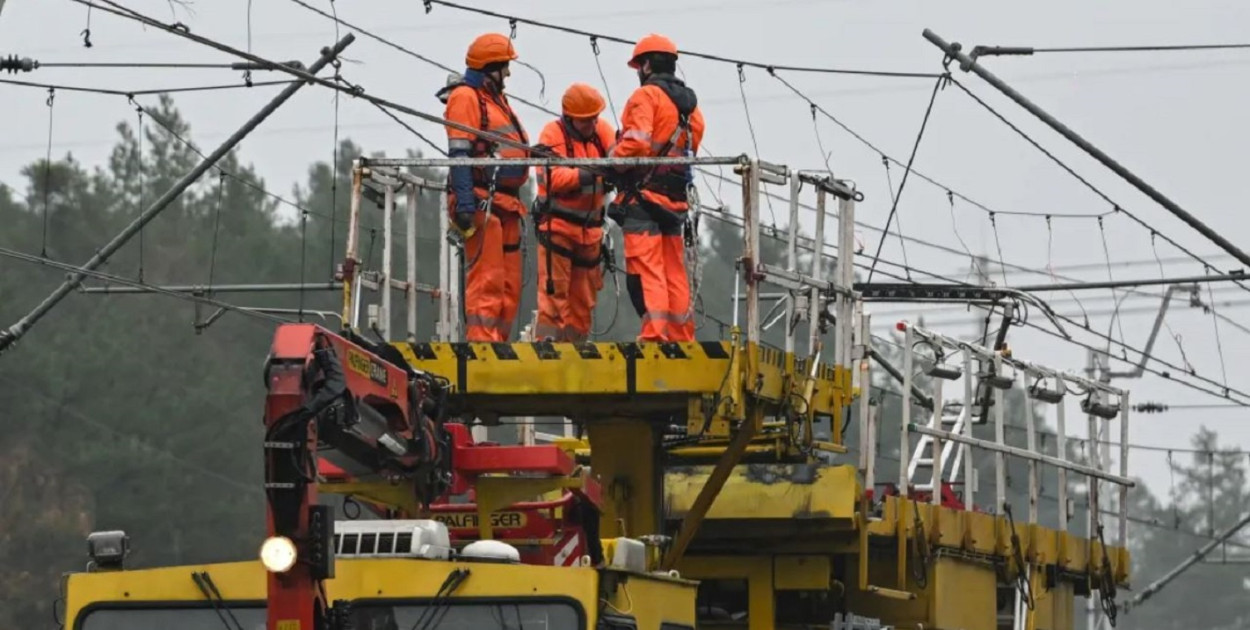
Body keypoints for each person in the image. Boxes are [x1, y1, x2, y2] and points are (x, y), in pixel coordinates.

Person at [609, 33, 705, 342]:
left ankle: (655, 335)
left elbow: (636, 142)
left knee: (646, 269)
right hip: (675, 200)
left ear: (647, 65)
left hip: (644, 197)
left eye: (639, 65)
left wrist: (610, 160)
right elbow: (691, 149)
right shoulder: (691, 108)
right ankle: (680, 335)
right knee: (675, 271)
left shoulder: (645, 97)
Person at [437, 33, 530, 342]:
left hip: (506, 204)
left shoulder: (494, 99)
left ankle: (498, 346)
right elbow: (459, 154)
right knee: (487, 280)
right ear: (490, 68)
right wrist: (464, 204)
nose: (508, 74)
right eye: (504, 67)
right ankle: (482, 344)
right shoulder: (466, 97)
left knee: (509, 285)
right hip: (481, 201)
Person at [532, 83, 616, 342]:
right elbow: (551, 178)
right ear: (570, 118)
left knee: (583, 304)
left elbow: (618, 162)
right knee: (554, 299)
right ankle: (545, 356)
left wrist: (612, 172)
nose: (592, 123)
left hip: (590, 233)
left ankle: (575, 358)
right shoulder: (551, 134)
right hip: (558, 229)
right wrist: (589, 174)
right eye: (585, 120)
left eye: (594, 117)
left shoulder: (602, 131)